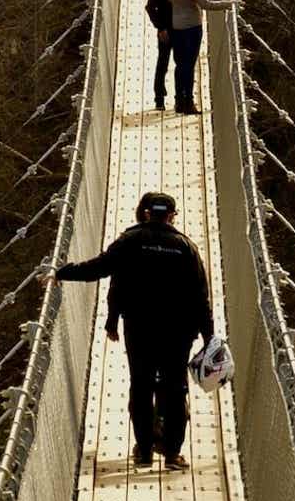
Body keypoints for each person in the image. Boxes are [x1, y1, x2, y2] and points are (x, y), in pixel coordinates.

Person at [56, 190, 213, 469]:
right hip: (177, 334)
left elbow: (100, 269)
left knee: (141, 386)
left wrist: (61, 273)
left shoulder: (130, 241)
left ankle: (143, 451)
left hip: (139, 329)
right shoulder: (186, 247)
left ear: (147, 213)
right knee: (174, 390)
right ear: (172, 216)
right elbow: (201, 297)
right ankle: (172, 454)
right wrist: (209, 336)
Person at [166, 0, 234, 116]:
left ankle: (179, 101)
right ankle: (188, 102)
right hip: (191, 27)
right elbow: (205, 3)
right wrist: (228, 4)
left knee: (180, 65)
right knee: (189, 66)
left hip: (177, 25)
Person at [146, 0, 181, 110]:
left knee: (163, 63)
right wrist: (160, 27)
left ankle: (159, 98)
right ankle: (178, 98)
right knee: (180, 64)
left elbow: (150, 7)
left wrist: (160, 27)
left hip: (167, 29)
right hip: (178, 28)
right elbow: (150, 7)